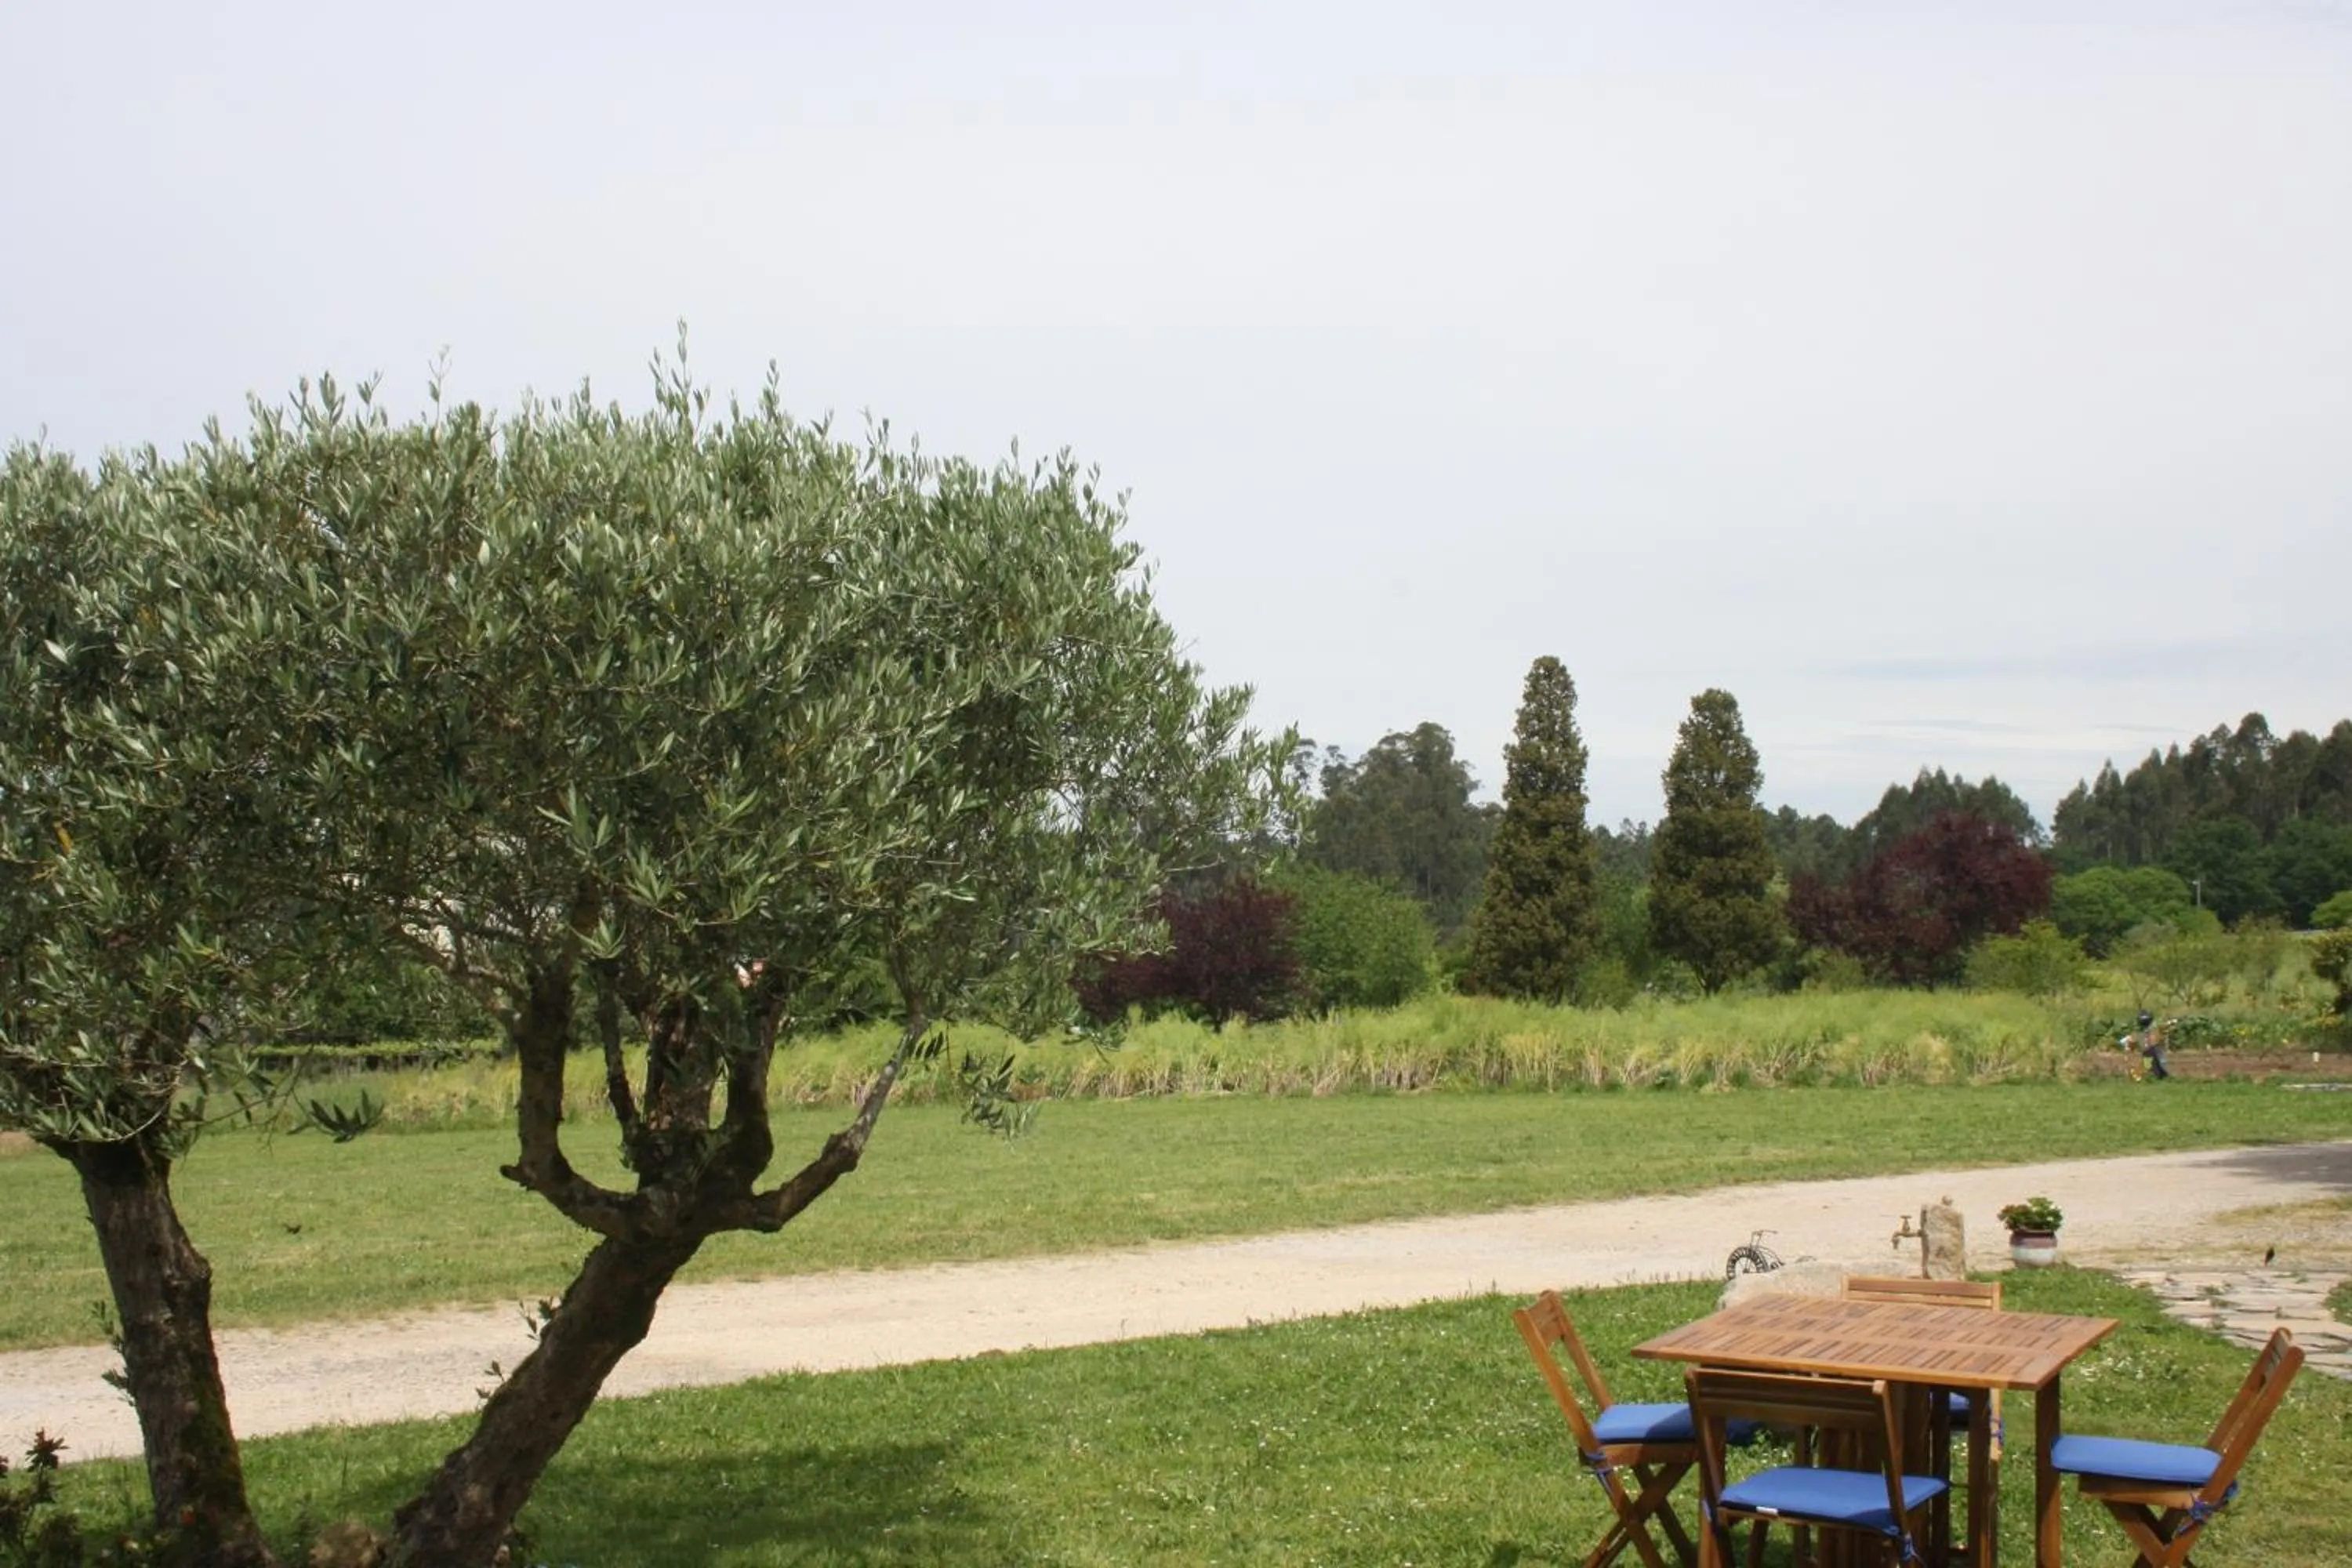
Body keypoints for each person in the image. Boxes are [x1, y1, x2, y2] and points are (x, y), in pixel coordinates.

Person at [2136, 1010, 2171, 1080]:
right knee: (2151, 1059)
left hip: (2154, 1047)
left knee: (2154, 1059)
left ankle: (2158, 1075)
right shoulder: (2150, 1027)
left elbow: (2154, 1038)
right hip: (2153, 1047)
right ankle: (2157, 1075)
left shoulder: (2153, 1027)